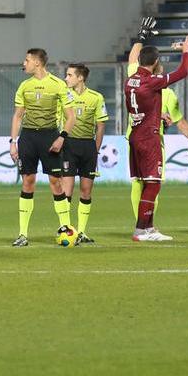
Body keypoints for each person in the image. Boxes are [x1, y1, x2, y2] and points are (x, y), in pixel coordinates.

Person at [125, 44, 188, 235]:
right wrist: (186, 51)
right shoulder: (152, 81)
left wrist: (157, 115)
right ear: (156, 62)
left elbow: (141, 105)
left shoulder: (130, 80)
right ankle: (141, 230)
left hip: (135, 135)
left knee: (145, 183)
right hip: (149, 138)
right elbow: (183, 71)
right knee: (153, 183)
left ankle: (149, 228)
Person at [9, 47, 76, 247]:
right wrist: (13, 142)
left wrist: (62, 137)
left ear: (37, 62)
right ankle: (22, 234)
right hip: (28, 137)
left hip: (50, 136)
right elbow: (18, 116)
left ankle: (67, 228)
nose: (24, 63)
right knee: (27, 181)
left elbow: (71, 116)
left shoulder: (57, 85)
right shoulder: (24, 86)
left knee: (56, 182)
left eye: (27, 60)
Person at [60, 61, 108, 245]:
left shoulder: (96, 97)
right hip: (69, 146)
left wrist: (95, 149)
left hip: (88, 147)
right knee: (67, 191)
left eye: (70, 75)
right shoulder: (63, 96)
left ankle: (81, 232)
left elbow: (101, 125)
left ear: (80, 78)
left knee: (86, 191)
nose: (66, 78)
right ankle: (66, 229)